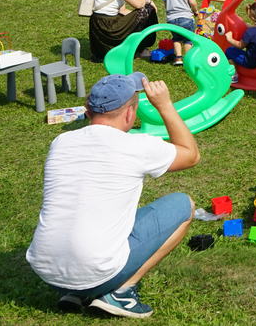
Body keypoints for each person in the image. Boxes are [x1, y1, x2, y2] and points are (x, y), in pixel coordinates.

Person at [26, 73, 199, 318]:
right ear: (130, 113)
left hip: (47, 274)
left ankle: (77, 292)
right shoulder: (136, 146)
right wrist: (165, 105)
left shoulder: (61, 141)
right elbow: (190, 155)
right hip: (96, 271)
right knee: (183, 205)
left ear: (88, 111)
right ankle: (121, 292)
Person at [161, 0, 198, 66]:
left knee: (176, 38)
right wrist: (195, 11)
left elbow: (165, 4)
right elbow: (192, 2)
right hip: (186, 18)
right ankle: (188, 60)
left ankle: (178, 59)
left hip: (171, 19)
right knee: (188, 39)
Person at [223, 1, 256, 69]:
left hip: (251, 62)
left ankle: (234, 74)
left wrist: (229, 39)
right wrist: (252, 27)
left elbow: (240, 45)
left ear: (252, 17)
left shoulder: (250, 32)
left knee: (229, 50)